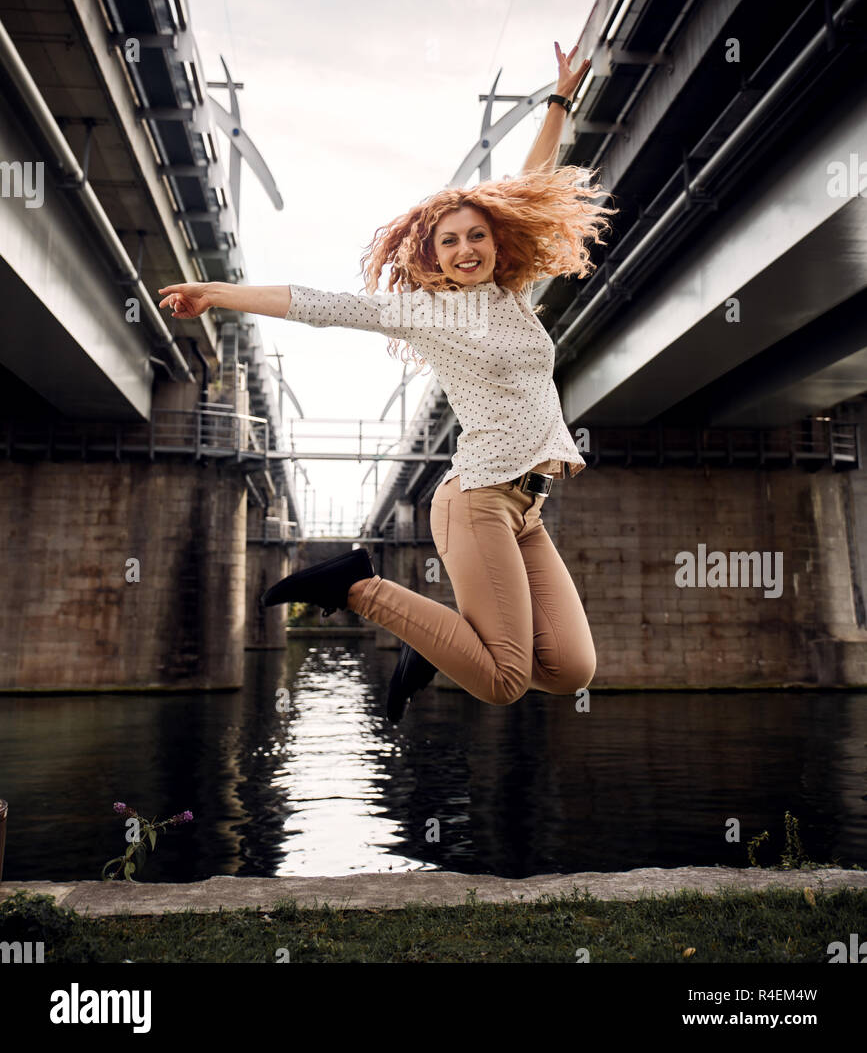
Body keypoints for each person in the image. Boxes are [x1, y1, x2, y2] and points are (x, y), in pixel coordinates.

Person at [158, 42, 617, 723]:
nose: (464, 250)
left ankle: (426, 642)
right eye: (448, 242)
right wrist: (219, 292)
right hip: (477, 500)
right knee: (503, 679)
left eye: (475, 236)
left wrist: (558, 100)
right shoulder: (423, 312)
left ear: (495, 241)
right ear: (431, 254)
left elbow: (528, 187)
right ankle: (353, 585)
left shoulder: (513, 294)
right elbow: (321, 305)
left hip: (527, 506)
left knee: (571, 668)